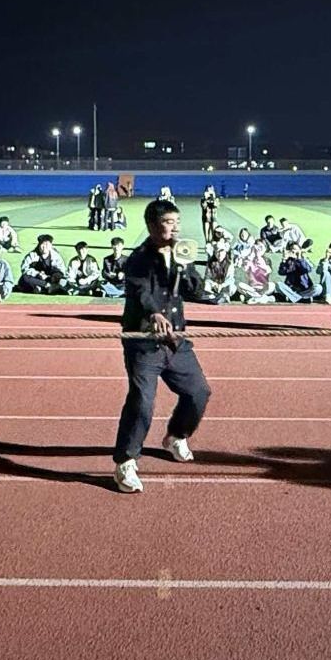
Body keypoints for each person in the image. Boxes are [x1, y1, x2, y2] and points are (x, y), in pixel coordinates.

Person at [110, 198, 213, 494]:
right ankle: (125, 462)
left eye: (177, 222)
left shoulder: (180, 254)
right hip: (143, 343)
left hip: (175, 341)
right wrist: (154, 313)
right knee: (142, 401)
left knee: (198, 392)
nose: (175, 228)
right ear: (152, 226)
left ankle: (176, 435)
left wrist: (187, 267)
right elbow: (140, 291)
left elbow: (195, 290)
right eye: (169, 223)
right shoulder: (138, 259)